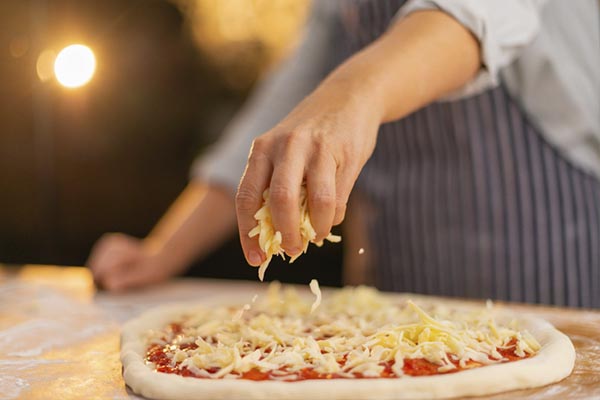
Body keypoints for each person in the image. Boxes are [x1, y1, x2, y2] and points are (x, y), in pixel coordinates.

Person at [89, 0, 600, 308]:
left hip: (554, 235)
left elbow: (477, 11)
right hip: (406, 255)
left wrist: (353, 93)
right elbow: (293, 91)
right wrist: (163, 251)